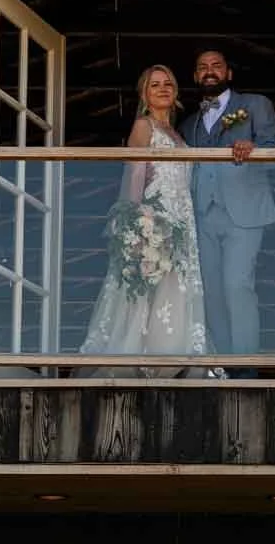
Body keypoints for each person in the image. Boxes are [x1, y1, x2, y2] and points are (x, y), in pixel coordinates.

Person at [76, 65, 217, 378]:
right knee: (148, 286)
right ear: (144, 94)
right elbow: (135, 174)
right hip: (156, 215)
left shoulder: (178, 134)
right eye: (155, 85)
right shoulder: (144, 126)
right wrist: (136, 220)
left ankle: (172, 355)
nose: (163, 88)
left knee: (175, 286)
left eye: (168, 83)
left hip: (183, 220)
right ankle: (141, 360)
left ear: (176, 91)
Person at [181, 48, 275, 371]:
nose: (210, 71)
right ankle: (223, 366)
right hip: (201, 215)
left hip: (244, 211)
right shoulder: (188, 124)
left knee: (238, 285)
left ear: (229, 73)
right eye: (202, 67)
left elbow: (274, 152)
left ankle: (246, 367)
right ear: (196, 76)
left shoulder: (255, 105)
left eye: (216, 65)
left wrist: (254, 148)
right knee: (210, 293)